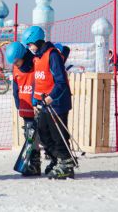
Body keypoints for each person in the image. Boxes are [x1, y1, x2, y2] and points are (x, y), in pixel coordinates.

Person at [22, 26, 74, 179]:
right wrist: (36, 102)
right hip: (44, 105)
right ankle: (56, 160)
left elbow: (61, 82)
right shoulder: (37, 57)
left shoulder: (53, 55)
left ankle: (66, 164)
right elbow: (39, 83)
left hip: (57, 104)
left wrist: (51, 98)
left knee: (58, 135)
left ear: (36, 41)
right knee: (44, 134)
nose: (29, 47)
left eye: (30, 44)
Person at [6, 41, 41, 176]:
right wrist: (17, 103)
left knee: (41, 136)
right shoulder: (16, 69)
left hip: (37, 107)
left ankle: (53, 161)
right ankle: (34, 164)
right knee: (30, 136)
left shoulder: (36, 64)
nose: (15, 65)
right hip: (25, 107)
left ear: (22, 56)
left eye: (16, 61)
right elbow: (15, 88)